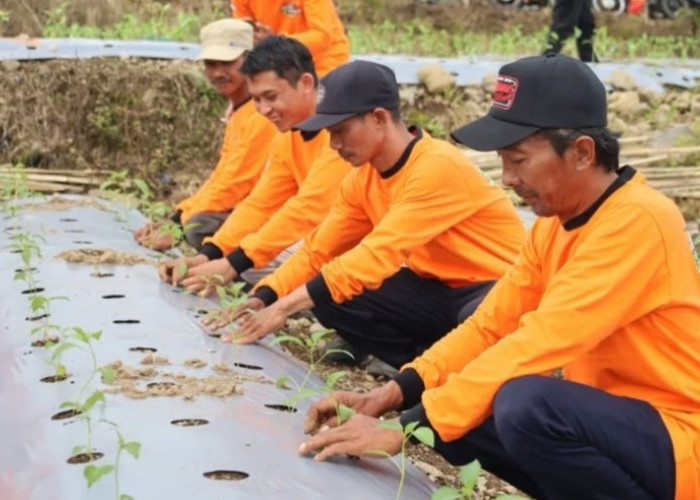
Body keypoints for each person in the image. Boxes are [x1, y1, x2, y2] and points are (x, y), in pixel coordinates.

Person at [299, 54, 700, 500]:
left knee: (525, 404)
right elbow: (491, 325)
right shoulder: (553, 225)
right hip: (618, 426)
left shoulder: (639, 221)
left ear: (583, 152)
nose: (507, 178)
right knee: (462, 415)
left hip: (677, 435)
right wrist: (394, 395)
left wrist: (405, 430)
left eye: (519, 160)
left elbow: (541, 342)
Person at [216, 60, 525, 371]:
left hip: (493, 287)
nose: (334, 144)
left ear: (378, 118)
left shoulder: (436, 167)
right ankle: (424, 361)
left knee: (478, 316)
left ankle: (448, 368)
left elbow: (378, 253)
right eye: (328, 133)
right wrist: (264, 297)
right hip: (437, 289)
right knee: (326, 293)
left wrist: (285, 308)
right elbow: (318, 251)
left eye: (340, 131)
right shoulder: (362, 179)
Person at [158, 36, 352, 291]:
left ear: (305, 83)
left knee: (258, 266)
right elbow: (261, 203)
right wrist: (208, 255)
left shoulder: (340, 129)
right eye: (257, 99)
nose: (263, 109)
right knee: (248, 260)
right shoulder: (288, 134)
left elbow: (309, 208)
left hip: (362, 237)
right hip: (320, 230)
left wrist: (232, 263)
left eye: (270, 97)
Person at [133, 19, 276, 251]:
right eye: (211, 64)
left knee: (199, 226)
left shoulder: (262, 114)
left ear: (250, 60)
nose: (218, 73)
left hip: (268, 213)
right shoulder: (240, 110)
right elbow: (222, 176)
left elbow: (237, 183)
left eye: (227, 63)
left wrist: (179, 226)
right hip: (249, 207)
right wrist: (177, 216)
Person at [230, 0, 350, 76]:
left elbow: (322, 36)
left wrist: (277, 42)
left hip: (324, 64)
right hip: (278, 66)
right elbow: (243, 39)